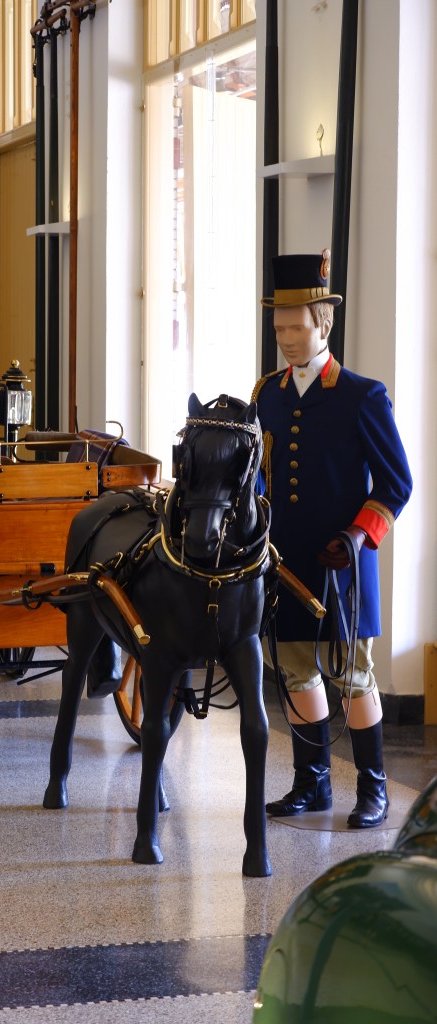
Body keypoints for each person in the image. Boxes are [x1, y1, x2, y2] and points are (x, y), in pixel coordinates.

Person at [252, 250, 412, 828]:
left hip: (344, 563)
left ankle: (373, 789)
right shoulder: (266, 394)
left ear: (323, 323)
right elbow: (260, 478)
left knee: (353, 675)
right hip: (286, 564)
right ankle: (311, 783)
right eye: (279, 329)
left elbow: (397, 482)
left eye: (297, 327)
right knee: (295, 671)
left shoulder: (361, 395)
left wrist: (357, 534)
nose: (288, 339)